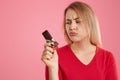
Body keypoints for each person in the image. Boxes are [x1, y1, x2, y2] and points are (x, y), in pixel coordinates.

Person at [41, 1, 118, 80]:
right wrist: (53, 68)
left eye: (77, 21)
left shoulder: (107, 58)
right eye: (68, 22)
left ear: (90, 24)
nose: (72, 27)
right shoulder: (55, 56)